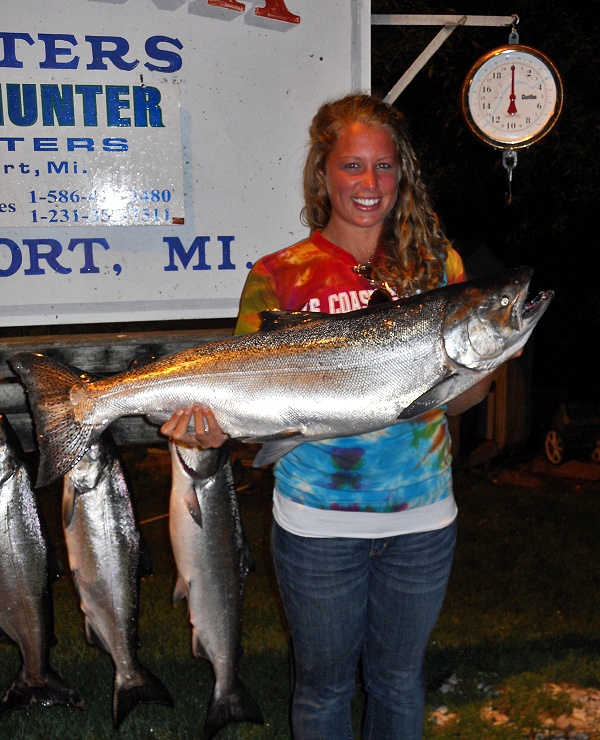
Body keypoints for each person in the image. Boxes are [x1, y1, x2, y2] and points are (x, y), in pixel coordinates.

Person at [161, 93, 494, 739]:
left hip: (422, 520)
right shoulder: (278, 275)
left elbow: (460, 403)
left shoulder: (439, 268)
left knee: (398, 681)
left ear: (402, 175)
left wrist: (483, 361)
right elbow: (246, 399)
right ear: (323, 174)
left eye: (384, 167)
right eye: (352, 166)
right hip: (316, 526)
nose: (369, 184)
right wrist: (208, 427)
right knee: (324, 688)